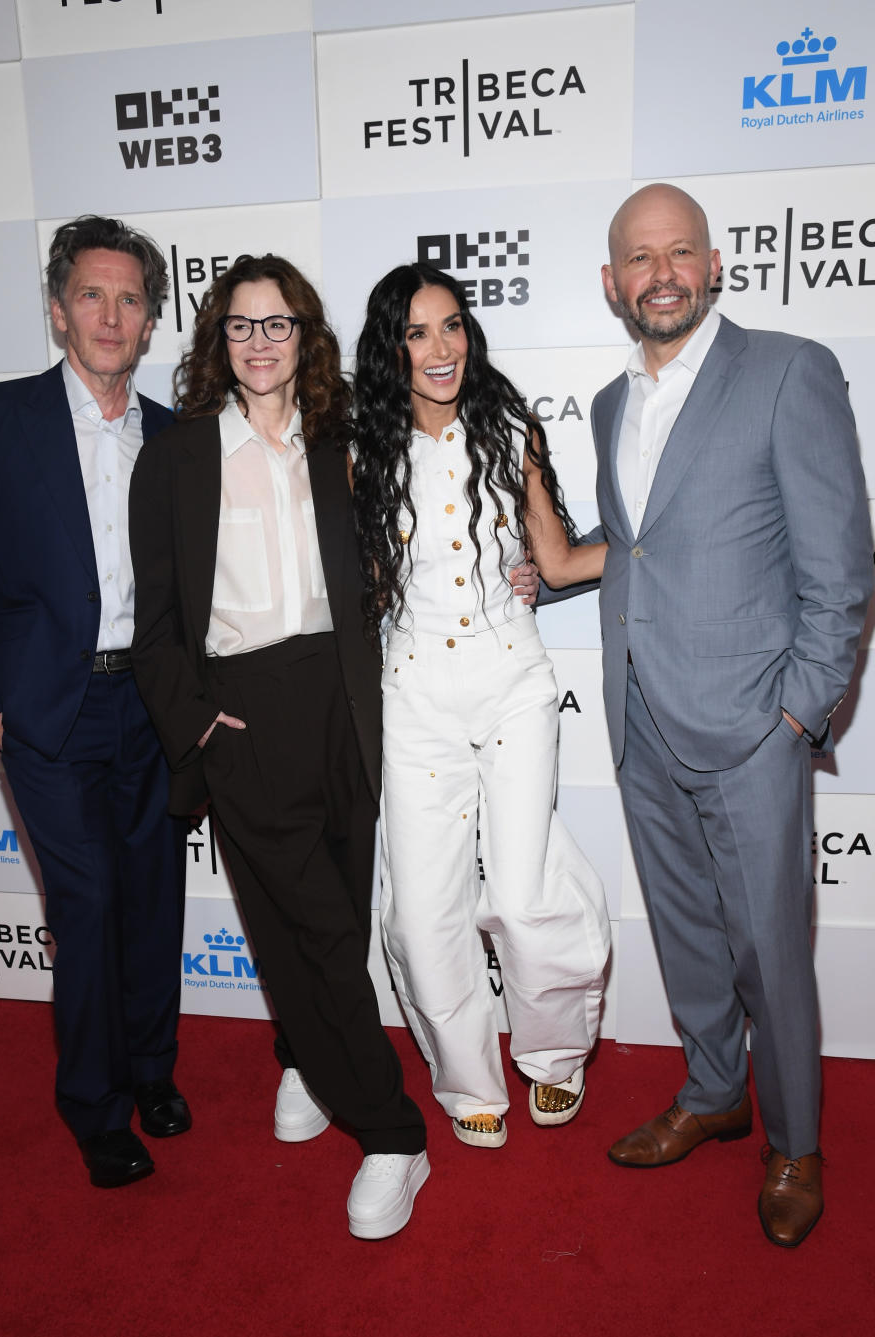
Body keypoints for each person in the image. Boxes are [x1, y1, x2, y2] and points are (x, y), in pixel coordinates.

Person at [583, 183, 872, 1246]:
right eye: (639, 258)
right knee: (686, 928)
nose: (661, 273)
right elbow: (639, 546)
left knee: (770, 947)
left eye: (680, 252)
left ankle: (795, 1141)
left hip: (753, 721)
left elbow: (842, 568)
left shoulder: (789, 371)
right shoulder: (612, 404)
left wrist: (800, 713)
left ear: (712, 265)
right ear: (611, 284)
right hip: (641, 712)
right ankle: (714, 1089)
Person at [128, 254, 430, 1239]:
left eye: (278, 323)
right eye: (242, 324)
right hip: (245, 713)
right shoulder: (177, 454)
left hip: (344, 704)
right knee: (320, 935)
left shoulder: (341, 443)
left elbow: (391, 556)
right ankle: (394, 1132)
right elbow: (159, 615)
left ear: (307, 336)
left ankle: (305, 1051)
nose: (260, 341)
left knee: (338, 908)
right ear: (221, 339)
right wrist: (200, 722)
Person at [0, 216, 191, 1189]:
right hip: (48, 709)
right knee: (85, 903)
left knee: (153, 895)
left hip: (151, 709)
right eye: (92, 294)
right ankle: (94, 1102)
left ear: (151, 319)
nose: (111, 314)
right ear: (56, 309)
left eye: (130, 298)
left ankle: (153, 1071)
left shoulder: (174, 436)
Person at [352, 262, 611, 1150]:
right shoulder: (362, 450)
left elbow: (562, 559)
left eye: (453, 326)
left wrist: (672, 539)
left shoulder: (510, 429)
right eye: (419, 332)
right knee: (425, 909)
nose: (441, 347)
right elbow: (362, 590)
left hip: (513, 683)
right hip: (414, 694)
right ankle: (467, 1074)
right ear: (392, 350)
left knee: (527, 887)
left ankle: (554, 1055)